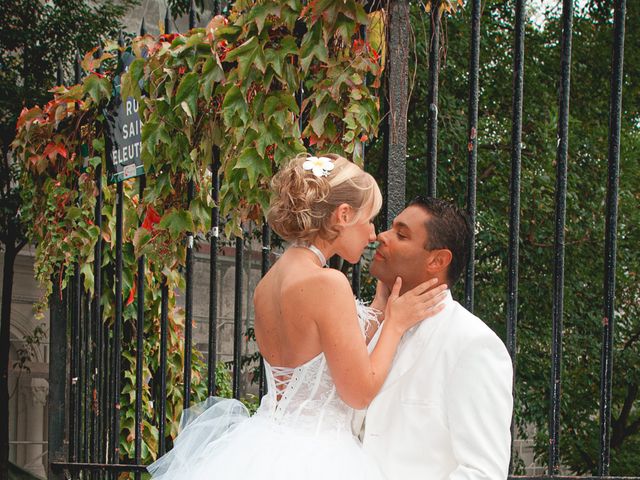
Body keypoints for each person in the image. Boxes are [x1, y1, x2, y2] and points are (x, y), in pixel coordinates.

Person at [147, 155, 447, 479]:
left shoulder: (268, 283)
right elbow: (359, 392)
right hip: (317, 456)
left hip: (261, 446)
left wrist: (380, 305)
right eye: (369, 219)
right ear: (343, 215)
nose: (373, 234)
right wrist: (396, 323)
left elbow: (320, 353)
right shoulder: (328, 283)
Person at [361, 196, 514, 479]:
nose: (382, 236)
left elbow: (482, 472)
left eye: (401, 234)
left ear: (438, 260)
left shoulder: (472, 344)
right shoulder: (375, 327)